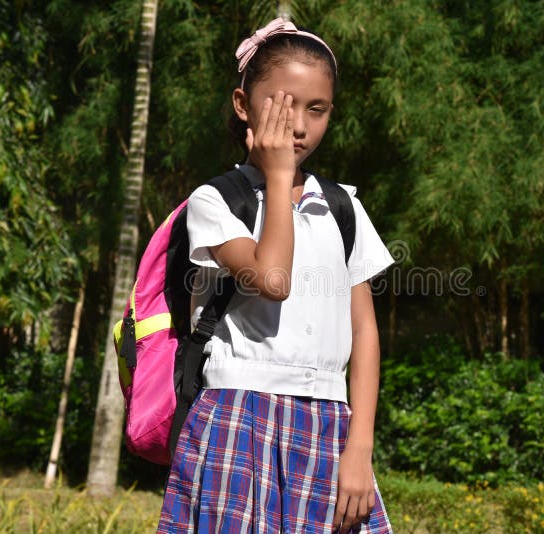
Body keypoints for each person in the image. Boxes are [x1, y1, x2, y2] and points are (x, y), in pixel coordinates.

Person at [157, 17, 394, 533]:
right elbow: (273, 280)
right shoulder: (215, 201)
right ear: (243, 105)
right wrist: (281, 175)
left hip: (331, 423)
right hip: (238, 418)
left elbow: (364, 331)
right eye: (283, 106)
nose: (301, 126)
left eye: (318, 109)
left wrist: (361, 447)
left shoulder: (342, 207)